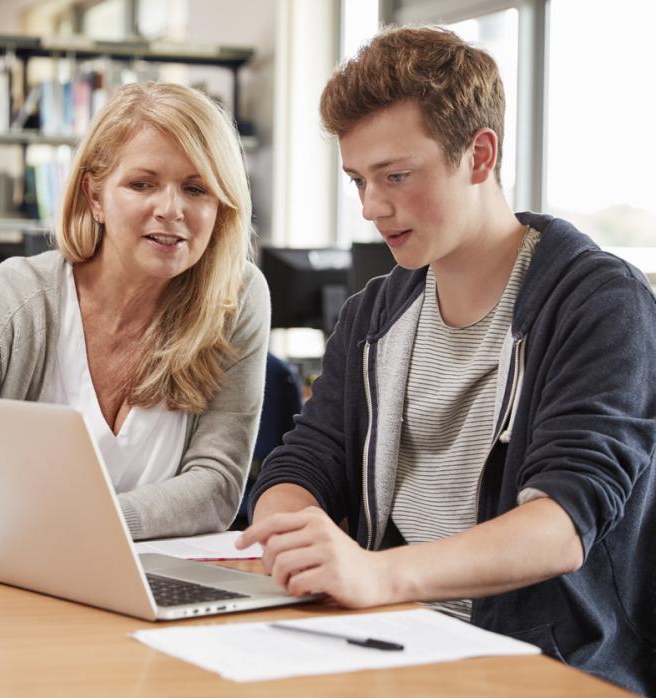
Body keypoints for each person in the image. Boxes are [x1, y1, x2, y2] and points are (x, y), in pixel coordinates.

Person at [238, 26, 656, 694]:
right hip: (393, 638)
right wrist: (293, 532)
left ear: (479, 155)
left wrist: (380, 573)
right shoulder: (375, 314)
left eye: (397, 176)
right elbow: (302, 464)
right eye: (358, 181)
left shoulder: (600, 304)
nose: (373, 207)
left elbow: (560, 526)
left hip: (544, 665)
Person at [0, 82, 270, 541]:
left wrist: (94, 523)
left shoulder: (235, 299)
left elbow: (216, 486)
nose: (171, 210)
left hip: (121, 580)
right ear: (95, 197)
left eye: (196, 189)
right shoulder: (9, 296)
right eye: (141, 184)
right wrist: (43, 474)